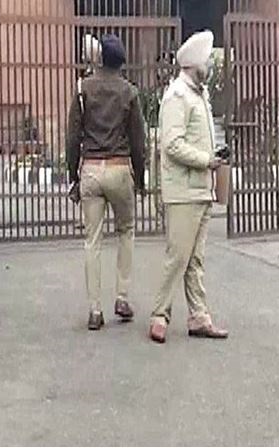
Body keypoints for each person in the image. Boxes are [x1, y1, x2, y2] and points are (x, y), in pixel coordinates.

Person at [149, 30, 229, 344]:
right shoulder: (177, 96)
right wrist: (206, 160)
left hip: (200, 188)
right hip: (183, 190)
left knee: (195, 259)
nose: (210, 64)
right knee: (178, 257)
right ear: (195, 62)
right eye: (207, 59)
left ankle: (199, 317)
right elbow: (172, 145)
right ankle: (159, 315)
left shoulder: (199, 95)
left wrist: (214, 159)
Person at [66, 34, 146, 331]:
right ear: (122, 62)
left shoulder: (82, 89)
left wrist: (73, 174)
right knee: (126, 230)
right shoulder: (130, 93)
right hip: (119, 166)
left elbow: (73, 137)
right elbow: (138, 141)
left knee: (92, 240)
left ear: (98, 59)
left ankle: (94, 309)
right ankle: (122, 296)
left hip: (90, 169)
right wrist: (141, 176)